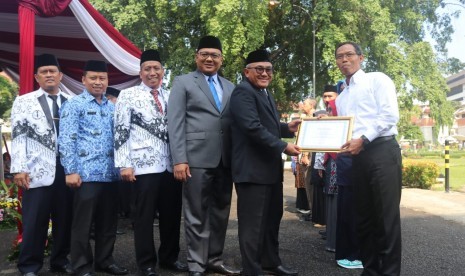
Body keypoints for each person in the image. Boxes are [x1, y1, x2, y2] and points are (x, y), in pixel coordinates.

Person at [167, 36, 240, 276]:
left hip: (225, 159)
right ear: (196, 55)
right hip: (195, 159)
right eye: (205, 54)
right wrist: (179, 159)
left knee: (220, 212)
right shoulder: (183, 82)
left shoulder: (230, 86)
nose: (210, 58)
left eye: (215, 55)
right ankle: (196, 263)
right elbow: (175, 122)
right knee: (196, 213)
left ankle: (214, 259)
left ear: (221, 58)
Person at [114, 49, 187, 276]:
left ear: (163, 72)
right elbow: (120, 130)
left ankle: (169, 258)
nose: (152, 73)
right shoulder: (128, 95)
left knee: (172, 216)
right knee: (144, 218)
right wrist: (124, 163)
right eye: (148, 69)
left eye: (156, 68)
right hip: (143, 167)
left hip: (170, 166)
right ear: (141, 72)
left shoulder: (171, 95)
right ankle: (146, 263)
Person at [230, 49, 301, 276]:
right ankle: (251, 269)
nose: (264, 73)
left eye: (268, 69)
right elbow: (251, 127)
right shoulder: (243, 91)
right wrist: (283, 146)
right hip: (252, 172)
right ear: (246, 71)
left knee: (271, 219)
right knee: (253, 225)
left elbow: (266, 124)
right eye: (259, 69)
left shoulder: (265, 93)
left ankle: (271, 262)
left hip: (270, 171)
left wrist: (285, 128)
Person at [335, 41, 402, 275]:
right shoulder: (341, 97)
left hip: (382, 151)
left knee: (385, 218)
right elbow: (344, 132)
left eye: (349, 55)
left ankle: (390, 272)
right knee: (363, 218)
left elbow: (390, 115)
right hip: (357, 158)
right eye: (339, 56)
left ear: (361, 58)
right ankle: (371, 270)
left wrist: (363, 139)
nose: (344, 60)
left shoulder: (377, 80)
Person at [59, 60, 128, 276]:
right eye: (93, 78)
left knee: (108, 223)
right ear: (83, 80)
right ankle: (81, 265)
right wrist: (70, 170)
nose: (98, 82)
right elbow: (67, 139)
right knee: (83, 224)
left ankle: (105, 261)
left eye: (102, 78)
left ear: (107, 81)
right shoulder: (74, 104)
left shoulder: (113, 107)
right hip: (85, 175)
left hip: (110, 175)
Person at [10, 53, 74, 276]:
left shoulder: (71, 102)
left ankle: (60, 261)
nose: (49, 75)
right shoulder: (24, 101)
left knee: (65, 219)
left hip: (67, 170)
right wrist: (19, 168)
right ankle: (29, 265)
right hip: (36, 170)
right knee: (35, 220)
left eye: (53, 71)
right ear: (37, 77)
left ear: (60, 75)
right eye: (44, 72)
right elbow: (18, 136)